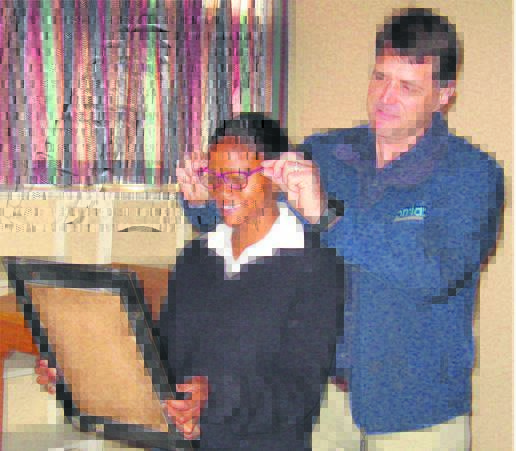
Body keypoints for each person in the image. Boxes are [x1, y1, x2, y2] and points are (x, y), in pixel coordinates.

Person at [177, 8, 505, 450]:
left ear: (444, 95)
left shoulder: (472, 175)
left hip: (417, 410)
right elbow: (259, 208)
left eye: (407, 86)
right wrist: (204, 203)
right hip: (325, 400)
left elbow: (436, 272)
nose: (385, 97)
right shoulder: (327, 154)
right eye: (380, 77)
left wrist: (330, 217)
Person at [37, 113, 345, 450]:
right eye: (215, 179)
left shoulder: (313, 265)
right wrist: (79, 374)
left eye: (238, 179)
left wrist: (215, 397)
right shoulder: (197, 256)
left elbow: (299, 395)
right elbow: (162, 362)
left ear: (276, 177)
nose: (223, 193)